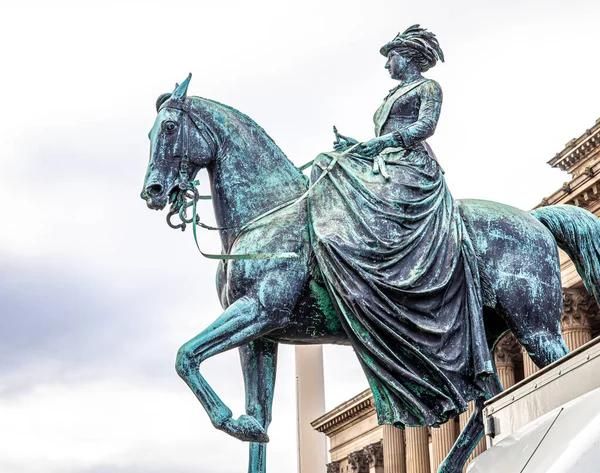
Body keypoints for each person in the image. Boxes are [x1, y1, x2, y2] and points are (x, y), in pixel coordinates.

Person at [309, 25, 494, 428]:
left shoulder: (428, 88)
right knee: (328, 163)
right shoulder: (389, 95)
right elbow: (385, 137)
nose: (386, 63)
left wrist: (380, 144)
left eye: (390, 55)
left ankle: (383, 266)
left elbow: (423, 128)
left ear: (407, 56)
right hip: (386, 162)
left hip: (412, 168)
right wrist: (359, 146)